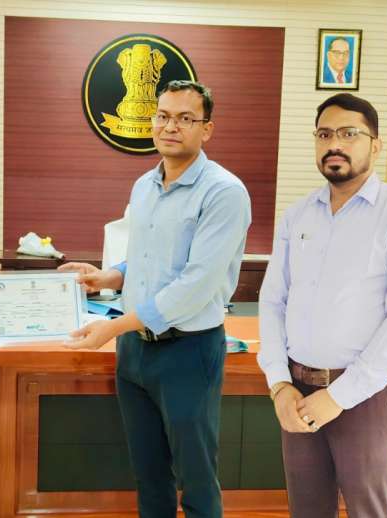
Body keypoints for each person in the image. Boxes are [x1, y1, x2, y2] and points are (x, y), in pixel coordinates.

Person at [59, 80, 251, 518]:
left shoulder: (224, 192)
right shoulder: (144, 185)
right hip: (134, 351)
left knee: (196, 477)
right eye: (163, 116)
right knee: (149, 474)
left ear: (207, 129)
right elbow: (147, 259)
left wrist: (113, 327)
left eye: (186, 118)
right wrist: (106, 276)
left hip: (188, 351)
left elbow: (196, 284)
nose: (171, 126)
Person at [257, 93, 387, 518]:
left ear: (376, 144)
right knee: (307, 510)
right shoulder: (297, 216)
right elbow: (273, 301)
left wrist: (339, 396)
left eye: (349, 133)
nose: (334, 144)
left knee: (367, 511)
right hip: (297, 392)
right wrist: (279, 384)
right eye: (324, 134)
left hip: (364, 397)